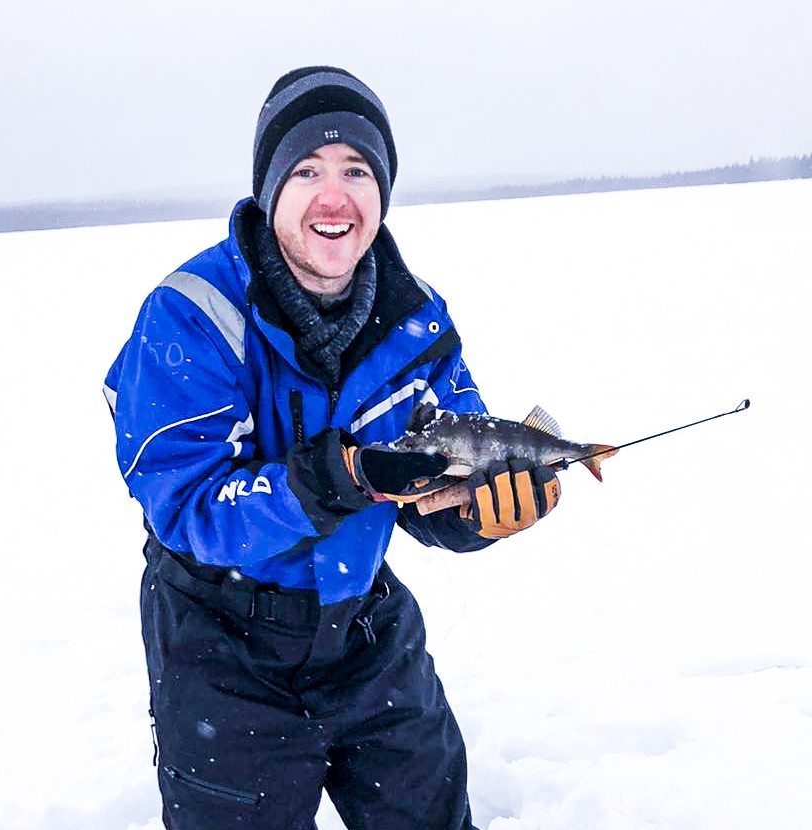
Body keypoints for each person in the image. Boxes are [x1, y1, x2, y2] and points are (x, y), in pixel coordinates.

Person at [104, 66, 561, 830]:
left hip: (365, 627)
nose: (334, 196)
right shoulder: (191, 315)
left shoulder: (418, 321)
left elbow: (435, 479)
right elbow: (185, 505)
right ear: (269, 189)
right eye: (307, 170)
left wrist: (477, 514)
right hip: (223, 645)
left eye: (356, 170)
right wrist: (337, 478)